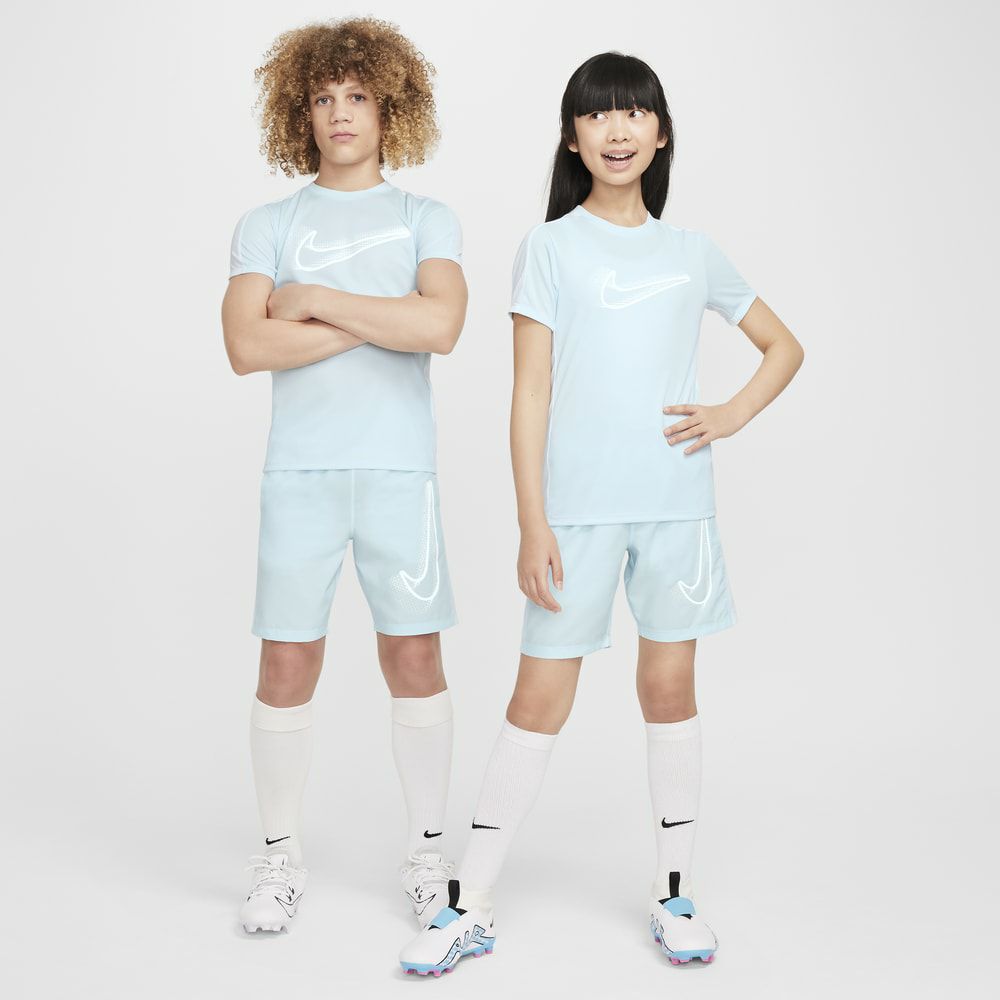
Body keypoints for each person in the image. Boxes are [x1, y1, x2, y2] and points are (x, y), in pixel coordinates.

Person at [398, 50, 804, 976]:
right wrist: (531, 522)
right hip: (574, 516)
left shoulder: (693, 253)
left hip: (676, 512)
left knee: (669, 689)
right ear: (572, 138)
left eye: (634, 113)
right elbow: (529, 391)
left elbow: (782, 346)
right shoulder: (549, 248)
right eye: (597, 114)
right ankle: (470, 901)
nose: (616, 130)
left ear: (660, 134)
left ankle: (673, 892)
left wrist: (731, 413)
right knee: (539, 695)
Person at [220, 17, 468, 934]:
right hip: (301, 476)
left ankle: (428, 853)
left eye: (357, 95)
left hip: (401, 474)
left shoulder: (424, 218)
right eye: (323, 97)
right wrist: (384, 319)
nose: (340, 112)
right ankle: (279, 856)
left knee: (416, 656)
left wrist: (317, 302)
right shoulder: (268, 224)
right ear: (301, 112)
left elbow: (441, 327)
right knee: (286, 659)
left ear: (389, 105)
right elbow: (246, 346)